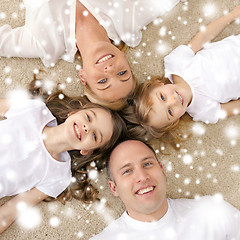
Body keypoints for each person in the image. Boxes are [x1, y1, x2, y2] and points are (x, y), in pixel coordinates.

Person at [0, 0, 180, 109]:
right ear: (125, 59)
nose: (109, 70)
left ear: (83, 77)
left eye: (102, 82)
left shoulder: (45, 46)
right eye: (122, 73)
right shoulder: (129, 22)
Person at [0, 91, 126, 233]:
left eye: (95, 135)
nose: (87, 128)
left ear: (87, 151)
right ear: (73, 113)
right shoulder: (36, 110)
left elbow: (10, 212)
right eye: (89, 117)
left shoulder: (59, 177)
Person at [90, 140, 240, 240]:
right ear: (114, 188)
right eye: (127, 171)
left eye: (147, 164)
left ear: (161, 169)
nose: (142, 177)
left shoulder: (212, 213)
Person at [132, 4, 240, 138]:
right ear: (175, 121)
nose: (173, 101)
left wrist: (232, 16)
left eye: (162, 97)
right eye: (170, 112)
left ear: (158, 85)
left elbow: (204, 36)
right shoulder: (202, 111)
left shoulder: (176, 63)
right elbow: (234, 107)